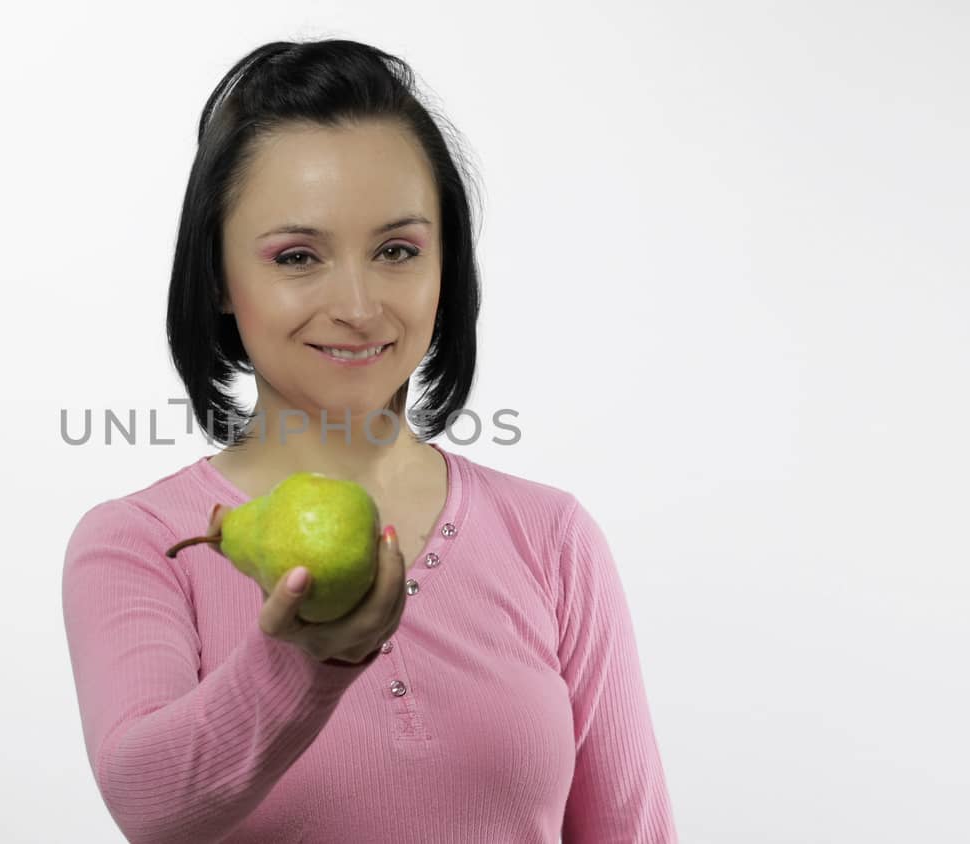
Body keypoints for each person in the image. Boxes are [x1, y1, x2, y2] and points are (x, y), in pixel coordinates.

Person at [61, 38, 677, 843]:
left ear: (444, 266)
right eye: (298, 256)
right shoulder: (142, 543)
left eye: (396, 251)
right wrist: (304, 662)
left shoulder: (552, 537)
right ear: (218, 277)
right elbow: (149, 804)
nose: (357, 304)